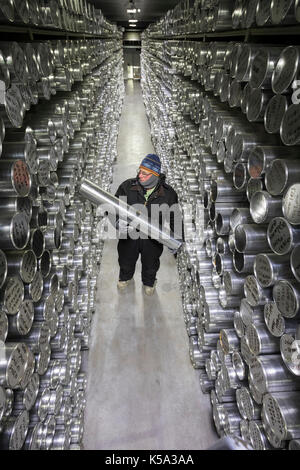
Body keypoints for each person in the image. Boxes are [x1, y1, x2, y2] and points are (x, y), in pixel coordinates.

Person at [114, 154, 183, 296]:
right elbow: (113, 207)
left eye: (145, 173)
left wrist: (177, 239)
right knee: (126, 259)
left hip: (152, 239)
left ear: (155, 175)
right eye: (140, 171)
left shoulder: (168, 194)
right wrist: (116, 222)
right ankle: (125, 277)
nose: (140, 175)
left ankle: (149, 282)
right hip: (129, 236)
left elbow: (174, 217)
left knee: (150, 264)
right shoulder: (127, 187)